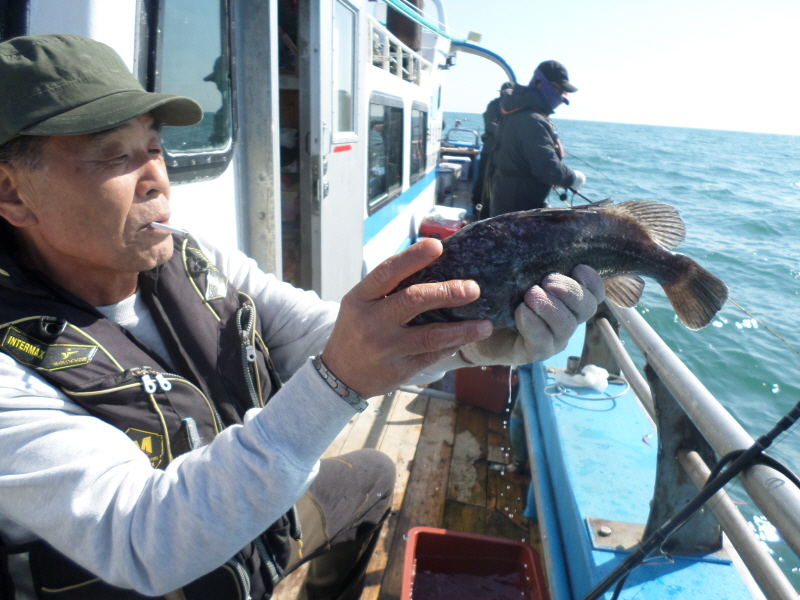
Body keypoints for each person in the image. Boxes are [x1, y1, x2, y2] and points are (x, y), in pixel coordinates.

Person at [0, 34, 605, 600]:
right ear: (13, 194)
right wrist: (340, 380)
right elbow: (141, 537)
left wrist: (471, 341)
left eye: (154, 147)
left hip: (251, 536)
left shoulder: (190, 256)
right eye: (114, 158)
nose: (155, 177)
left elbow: (325, 335)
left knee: (368, 478)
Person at [490, 60, 586, 216]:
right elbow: (547, 169)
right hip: (517, 208)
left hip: (507, 199)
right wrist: (573, 177)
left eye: (563, 92)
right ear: (539, 83)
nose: (560, 96)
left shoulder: (521, 112)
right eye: (557, 88)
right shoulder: (531, 119)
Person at [471, 81, 513, 218]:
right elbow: (490, 125)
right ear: (501, 92)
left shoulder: (517, 108)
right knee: (486, 180)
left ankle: (497, 209)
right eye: (505, 92)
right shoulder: (494, 106)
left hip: (506, 152)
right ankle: (478, 206)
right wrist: (509, 135)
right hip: (490, 150)